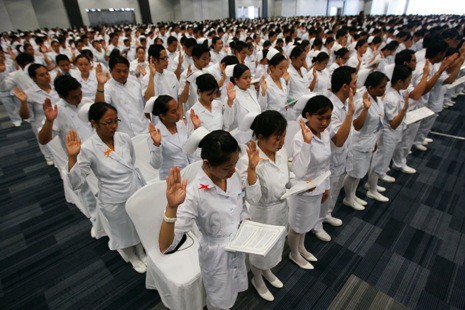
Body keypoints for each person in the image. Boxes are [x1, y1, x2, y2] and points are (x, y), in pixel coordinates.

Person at [159, 130, 249, 310]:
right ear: (207, 164)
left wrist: (245, 221)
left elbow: (242, 202)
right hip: (216, 255)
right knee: (218, 298)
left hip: (238, 244)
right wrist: (172, 208)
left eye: (235, 164)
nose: (233, 170)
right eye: (227, 167)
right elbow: (165, 246)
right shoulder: (194, 194)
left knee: (233, 289)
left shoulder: (233, 175)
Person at [66, 102, 147, 273]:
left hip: (133, 187)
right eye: (108, 122)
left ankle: (140, 250)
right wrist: (73, 157)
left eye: (116, 121)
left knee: (137, 222)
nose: (114, 126)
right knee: (122, 229)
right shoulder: (88, 148)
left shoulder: (123, 137)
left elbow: (131, 161)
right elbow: (77, 182)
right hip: (113, 195)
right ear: (94, 123)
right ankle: (131, 256)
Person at [237, 111, 289, 302]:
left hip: (281, 209)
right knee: (260, 252)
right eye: (277, 137)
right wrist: (252, 169)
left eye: (283, 135)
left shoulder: (281, 152)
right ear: (260, 137)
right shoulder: (247, 161)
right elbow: (253, 198)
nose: (282, 141)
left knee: (275, 248)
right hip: (263, 213)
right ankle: (257, 279)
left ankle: (267, 271)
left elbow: (284, 179)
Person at [288, 95, 332, 270]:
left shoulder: (325, 133)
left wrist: (326, 186)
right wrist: (307, 143)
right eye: (320, 118)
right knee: (297, 225)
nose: (324, 122)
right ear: (308, 115)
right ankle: (294, 253)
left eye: (328, 118)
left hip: (319, 185)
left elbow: (326, 164)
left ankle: (301, 248)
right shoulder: (300, 138)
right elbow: (298, 171)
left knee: (308, 222)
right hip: (303, 189)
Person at [312, 66, 356, 242]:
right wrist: (351, 114)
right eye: (354, 83)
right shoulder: (331, 108)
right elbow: (338, 140)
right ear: (345, 86)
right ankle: (317, 225)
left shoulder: (343, 104)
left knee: (335, 189)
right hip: (328, 159)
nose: (357, 86)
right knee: (325, 191)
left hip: (340, 158)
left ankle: (327, 215)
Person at [343, 72, 388, 210]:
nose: (384, 90)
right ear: (370, 87)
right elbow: (356, 125)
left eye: (385, 86)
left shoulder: (377, 98)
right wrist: (365, 109)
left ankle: (353, 194)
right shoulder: (361, 102)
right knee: (353, 173)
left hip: (370, 140)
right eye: (381, 87)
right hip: (359, 142)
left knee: (360, 172)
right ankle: (348, 198)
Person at [366, 65, 411, 202]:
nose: (410, 82)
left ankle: (372, 184)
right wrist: (404, 110)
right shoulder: (392, 98)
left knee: (381, 162)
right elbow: (393, 123)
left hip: (392, 134)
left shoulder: (396, 94)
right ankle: (372, 190)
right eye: (408, 80)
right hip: (388, 134)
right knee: (379, 163)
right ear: (400, 81)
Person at [14, 64, 60, 166]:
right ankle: (48, 156)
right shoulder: (29, 93)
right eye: (42, 75)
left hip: (59, 120)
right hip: (42, 123)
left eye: (47, 73)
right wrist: (23, 103)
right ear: (34, 78)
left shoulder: (56, 86)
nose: (46, 76)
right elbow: (25, 116)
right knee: (47, 145)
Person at [95, 55, 149, 137]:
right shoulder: (107, 87)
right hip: (124, 134)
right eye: (118, 71)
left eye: (125, 71)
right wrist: (100, 85)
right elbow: (99, 109)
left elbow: (146, 104)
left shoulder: (136, 83)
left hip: (144, 130)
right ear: (111, 71)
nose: (122, 74)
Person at [148, 95, 194, 180]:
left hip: (189, 173)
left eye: (177, 108)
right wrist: (157, 145)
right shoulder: (155, 134)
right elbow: (156, 165)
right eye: (173, 112)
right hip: (171, 178)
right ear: (162, 116)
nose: (178, 113)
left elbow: (188, 152)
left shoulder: (181, 124)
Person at [224, 64, 264, 144]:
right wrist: (230, 102)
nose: (249, 80)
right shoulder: (231, 97)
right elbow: (227, 122)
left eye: (249, 77)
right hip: (239, 140)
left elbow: (259, 111)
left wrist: (263, 91)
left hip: (255, 136)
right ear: (236, 79)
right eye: (245, 78)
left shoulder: (251, 92)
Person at [259, 51, 290, 116]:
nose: (284, 71)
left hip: (284, 116)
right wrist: (263, 92)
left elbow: (285, 99)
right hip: (272, 119)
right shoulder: (266, 83)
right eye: (281, 68)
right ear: (272, 68)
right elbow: (262, 108)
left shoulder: (283, 80)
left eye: (285, 68)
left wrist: (286, 82)